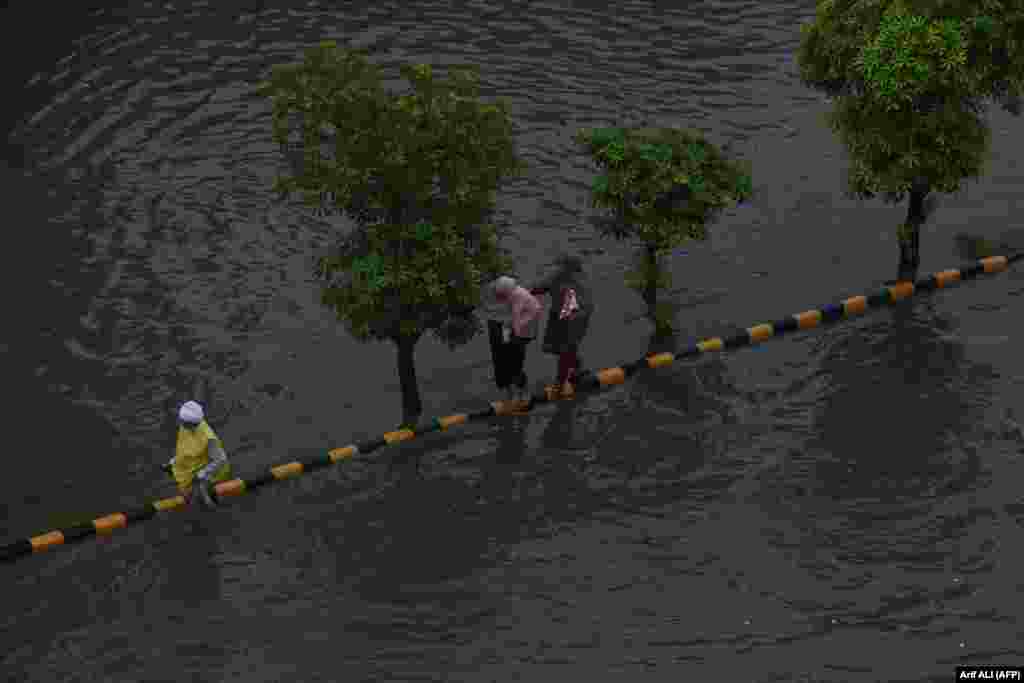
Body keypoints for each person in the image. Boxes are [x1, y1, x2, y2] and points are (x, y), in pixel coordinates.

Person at [530, 253, 595, 398]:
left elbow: (537, 287)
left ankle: (560, 384)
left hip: (573, 311)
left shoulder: (559, 274)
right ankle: (576, 367)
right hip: (571, 309)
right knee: (562, 347)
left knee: (565, 348)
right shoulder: (574, 276)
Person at [168, 400, 232, 509]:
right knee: (189, 497)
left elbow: (221, 459)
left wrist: (202, 474)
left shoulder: (209, 438)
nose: (179, 422)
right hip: (190, 467)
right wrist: (174, 460)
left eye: (181, 421)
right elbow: (184, 445)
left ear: (190, 424)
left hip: (205, 473)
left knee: (207, 501)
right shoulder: (186, 426)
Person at [490, 275, 543, 402]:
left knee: (515, 363)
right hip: (512, 326)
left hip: (520, 326)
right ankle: (512, 392)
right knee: (506, 361)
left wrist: (513, 333)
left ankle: (522, 392)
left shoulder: (517, 296)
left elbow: (516, 316)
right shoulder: (513, 293)